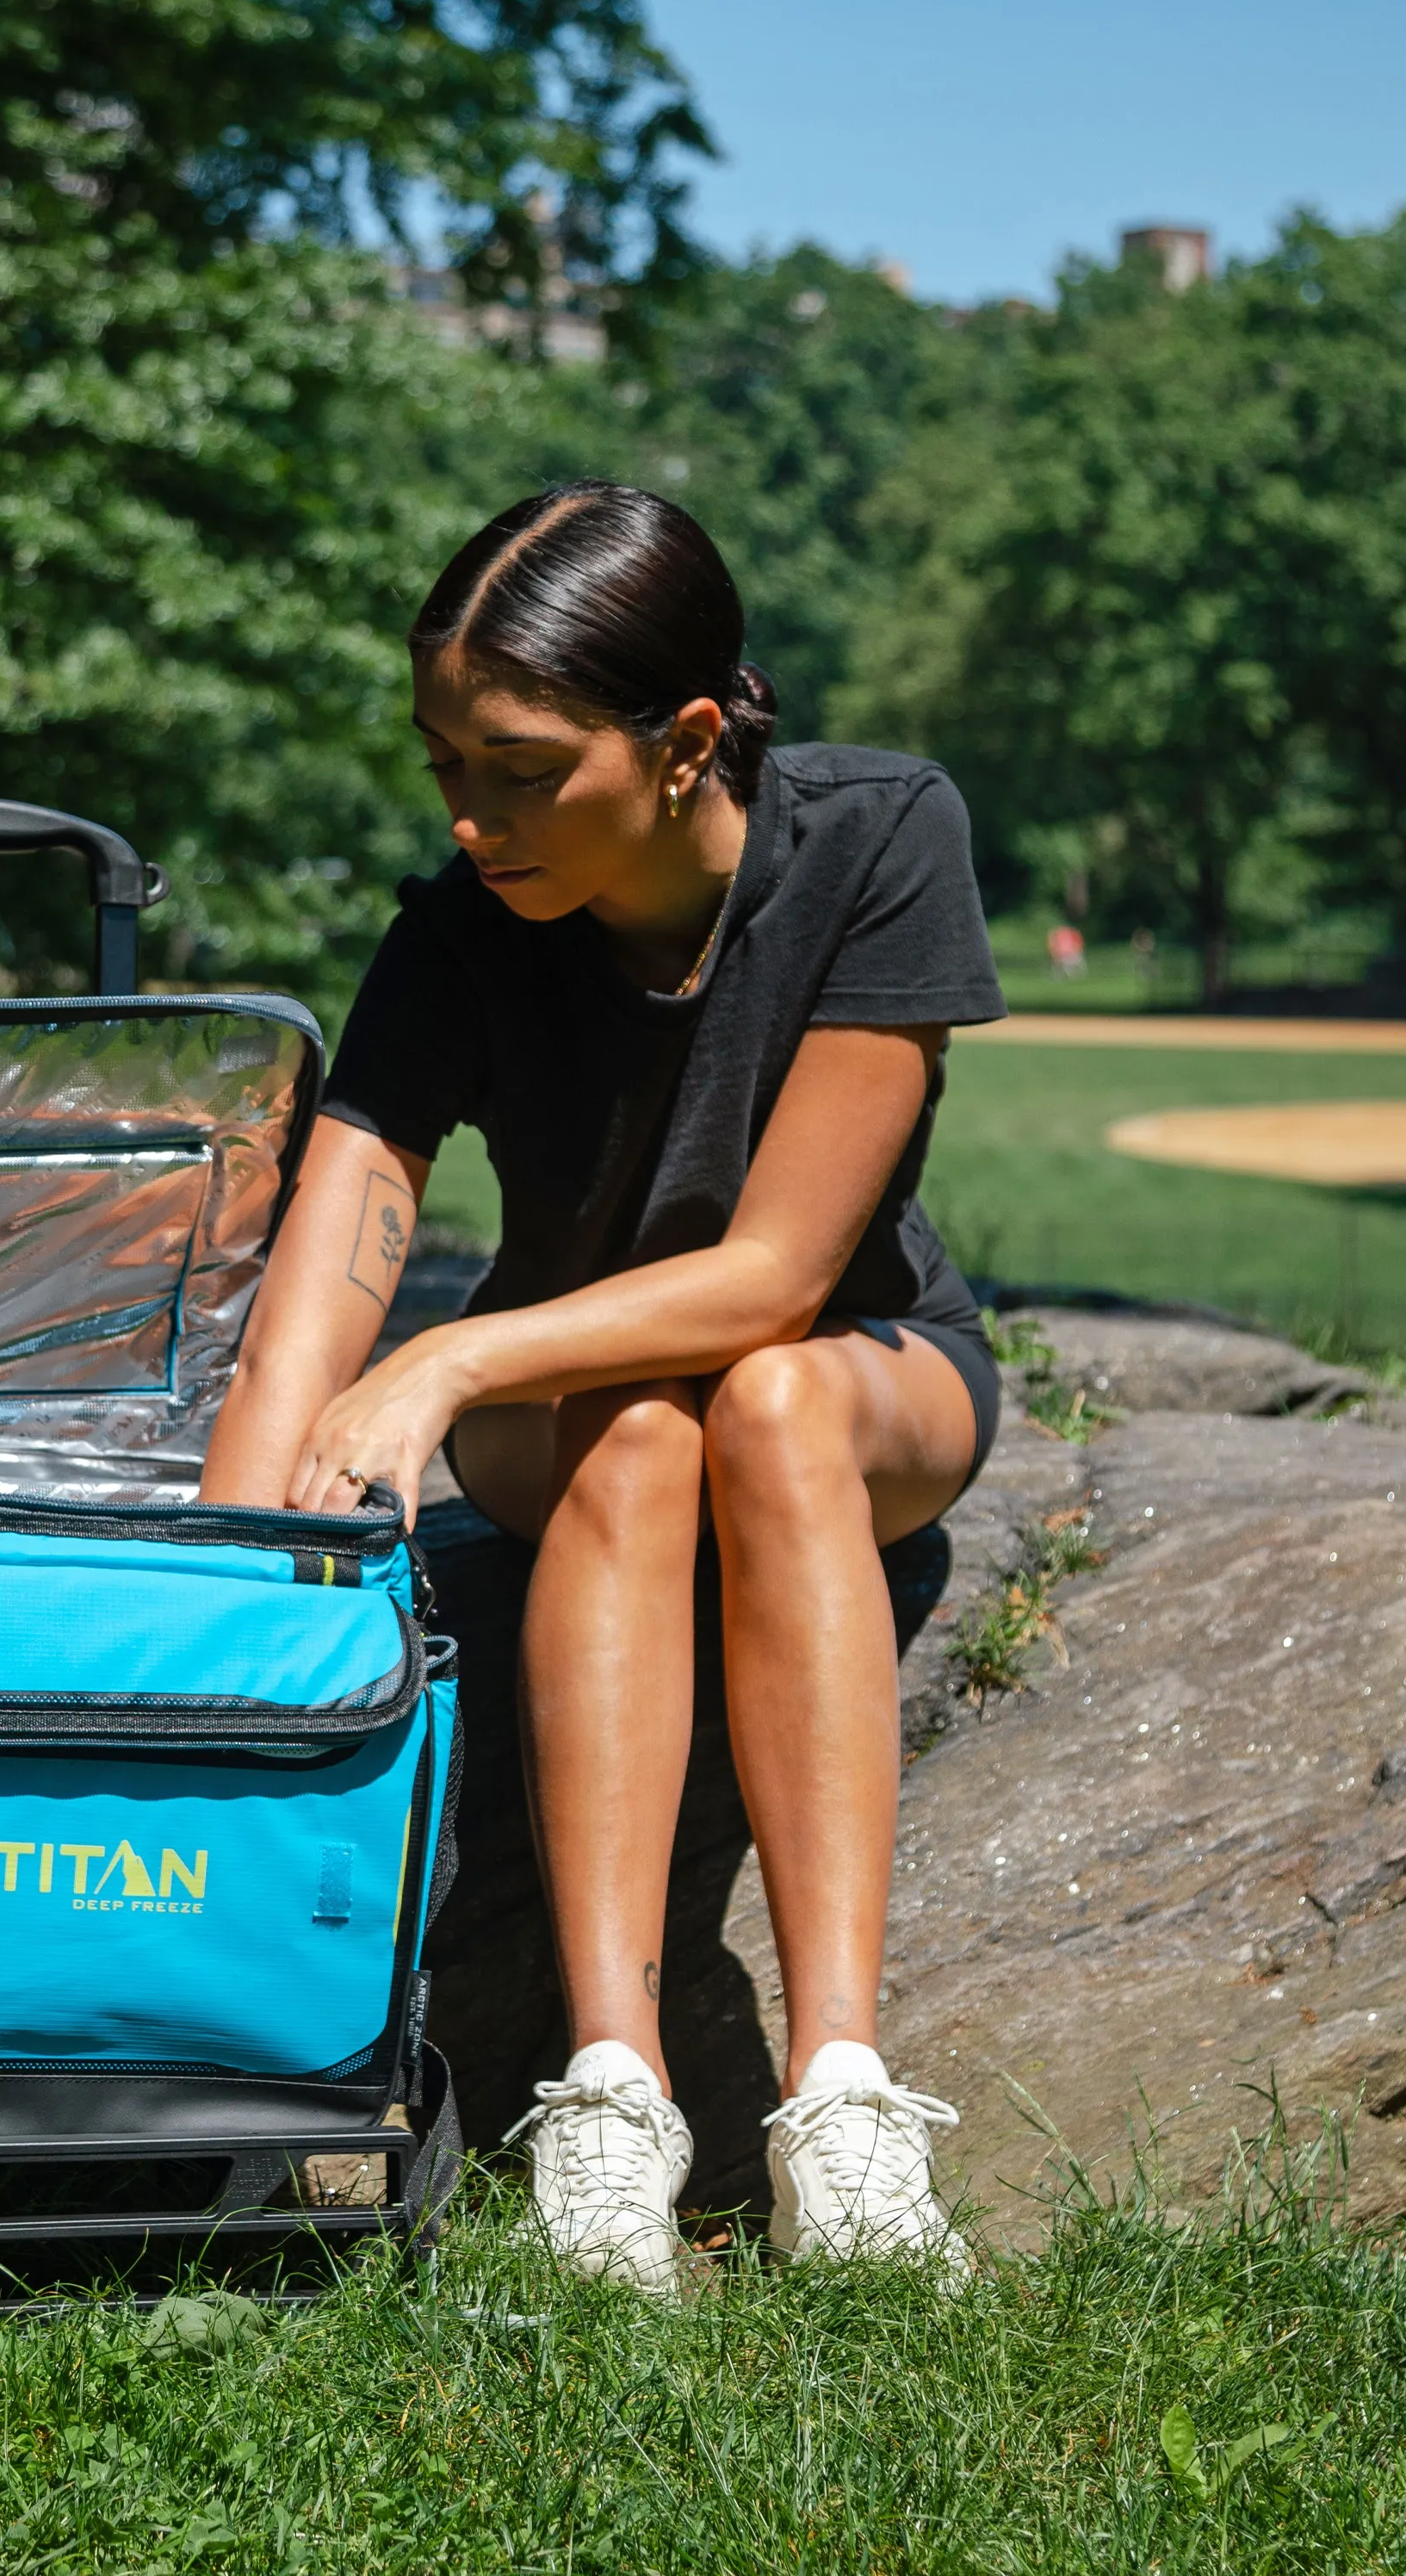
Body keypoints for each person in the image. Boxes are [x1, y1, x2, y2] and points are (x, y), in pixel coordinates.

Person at [199, 481, 1006, 2291]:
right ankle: (612, 2094)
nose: (469, 818)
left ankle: (844, 2106)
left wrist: (453, 1354)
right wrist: (220, 1626)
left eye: (516, 765)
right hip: (590, 1425)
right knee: (643, 1433)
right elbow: (316, 1300)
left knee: (770, 1398)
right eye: (440, 768)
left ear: (687, 738)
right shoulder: (460, 931)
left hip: (859, 1378)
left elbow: (779, 1279)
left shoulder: (881, 835)